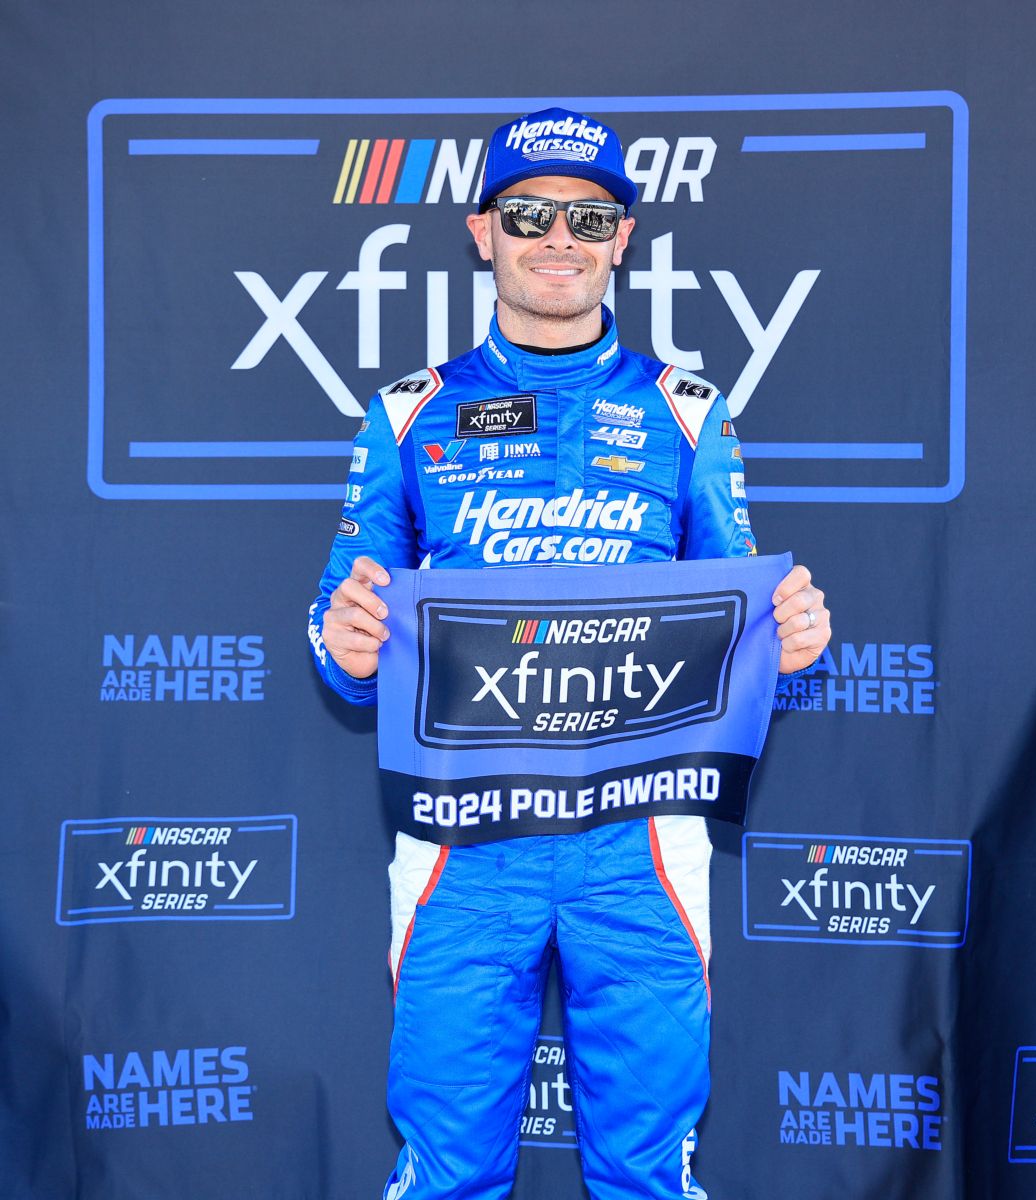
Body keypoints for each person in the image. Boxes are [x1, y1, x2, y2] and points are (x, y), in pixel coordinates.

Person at [309, 106, 832, 1200]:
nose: (559, 238)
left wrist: (788, 641)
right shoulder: (406, 414)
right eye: (530, 214)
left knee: (647, 1174)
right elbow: (337, 632)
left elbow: (742, 622)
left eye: (589, 218)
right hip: (461, 843)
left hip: (640, 842)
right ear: (482, 231)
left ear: (622, 239)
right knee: (445, 1171)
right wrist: (343, 644)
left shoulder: (688, 412)